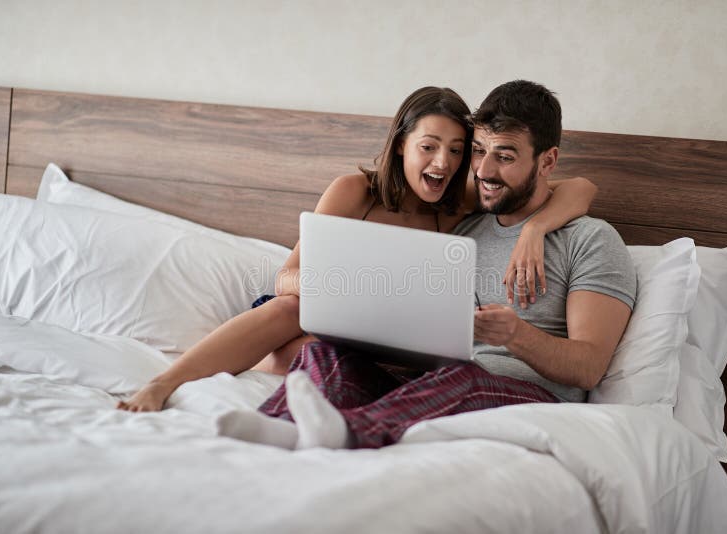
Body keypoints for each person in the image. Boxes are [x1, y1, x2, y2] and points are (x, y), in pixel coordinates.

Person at [117, 86, 596, 412]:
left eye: (457, 150)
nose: (444, 162)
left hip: (380, 337)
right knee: (293, 311)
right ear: (402, 145)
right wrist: (344, 290)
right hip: (306, 315)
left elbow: (579, 187)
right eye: (429, 146)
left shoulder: (461, 201)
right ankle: (164, 382)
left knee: (351, 360)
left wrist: (535, 231)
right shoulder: (353, 192)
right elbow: (286, 277)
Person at [216, 80, 637, 450]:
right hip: (430, 386)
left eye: (505, 157)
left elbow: (588, 368)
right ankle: (280, 428)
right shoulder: (462, 230)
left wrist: (517, 335)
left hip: (529, 398)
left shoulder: (592, 241)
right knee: (328, 355)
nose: (484, 171)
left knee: (465, 378)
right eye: (477, 152)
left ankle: (347, 433)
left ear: (546, 162)